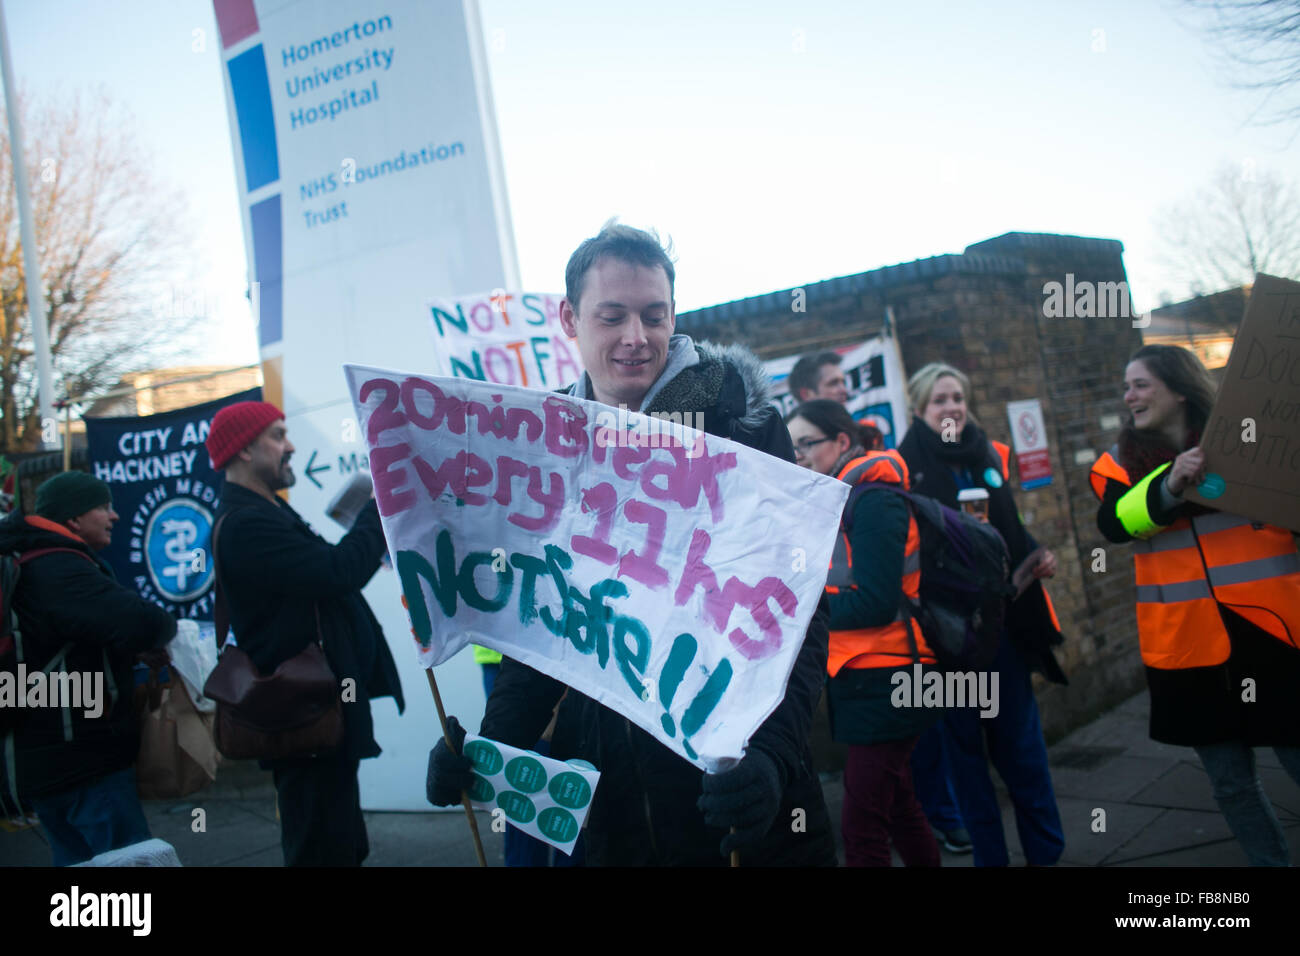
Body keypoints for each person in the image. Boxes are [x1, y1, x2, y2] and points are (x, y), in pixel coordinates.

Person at [426, 220, 836, 866]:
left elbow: (798, 612)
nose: (636, 339)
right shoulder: (547, 450)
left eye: (654, 315)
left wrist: (772, 759)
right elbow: (543, 626)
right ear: (570, 317)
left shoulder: (742, 429)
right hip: (614, 813)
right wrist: (486, 746)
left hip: (736, 801)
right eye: (612, 316)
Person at [1091, 344, 1300, 866]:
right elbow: (1115, 524)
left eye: (1140, 384)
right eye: (1126, 386)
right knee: (1231, 785)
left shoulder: (1249, 444)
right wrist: (1169, 485)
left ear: (1179, 387)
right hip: (1191, 650)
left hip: (1273, 635)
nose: (1129, 396)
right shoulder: (1117, 464)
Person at [207, 400, 405, 866]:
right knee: (322, 851)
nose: (290, 446)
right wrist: (378, 509)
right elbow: (336, 572)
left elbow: (329, 577)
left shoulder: (264, 513)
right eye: (277, 435)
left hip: (313, 714)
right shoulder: (247, 524)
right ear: (241, 451)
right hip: (302, 717)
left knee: (342, 846)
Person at [897, 362, 1067, 867]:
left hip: (1004, 637)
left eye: (958, 398)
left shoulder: (988, 455)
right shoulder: (906, 466)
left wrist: (1035, 554)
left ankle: (1047, 855)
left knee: (1024, 756)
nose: (952, 407)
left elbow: (1011, 532)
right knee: (966, 765)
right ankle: (990, 859)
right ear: (920, 408)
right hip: (946, 644)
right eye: (940, 400)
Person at [786, 399, 942, 866]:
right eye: (792, 447)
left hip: (893, 675)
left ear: (840, 441)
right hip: (862, 674)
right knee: (898, 806)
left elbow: (875, 600)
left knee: (862, 825)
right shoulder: (838, 498)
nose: (798, 455)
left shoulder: (875, 499)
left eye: (807, 444)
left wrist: (806, 610)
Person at [0, 471, 176, 865]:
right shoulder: (58, 567)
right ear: (74, 517)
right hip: (84, 761)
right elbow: (147, 622)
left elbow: (58, 642)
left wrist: (127, 653)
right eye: (104, 506)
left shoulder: (23, 560)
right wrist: (154, 637)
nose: (114, 516)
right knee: (127, 872)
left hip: (39, 758)